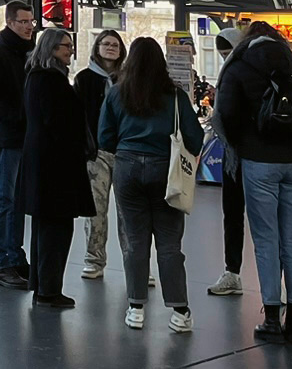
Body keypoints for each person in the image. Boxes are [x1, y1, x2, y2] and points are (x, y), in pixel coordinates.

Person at [214, 20, 292, 344]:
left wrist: (248, 144)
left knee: (266, 240)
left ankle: (271, 319)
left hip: (258, 162)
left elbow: (226, 116)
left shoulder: (238, 68)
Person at [99, 36, 203, 333]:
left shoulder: (117, 94)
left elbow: (105, 137)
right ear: (161, 62)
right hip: (165, 169)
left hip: (128, 168)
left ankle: (135, 308)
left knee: (134, 240)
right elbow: (194, 138)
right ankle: (180, 311)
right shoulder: (175, 96)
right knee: (170, 244)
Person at [19, 27, 91, 309]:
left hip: (42, 163)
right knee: (57, 230)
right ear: (51, 48)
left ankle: (41, 286)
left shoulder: (35, 78)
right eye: (65, 46)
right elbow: (59, 122)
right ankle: (49, 290)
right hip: (57, 167)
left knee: (44, 228)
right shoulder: (51, 81)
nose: (70, 50)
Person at [0, 0, 35, 288]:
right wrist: (16, 118)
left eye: (31, 21)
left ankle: (15, 256)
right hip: (11, 135)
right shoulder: (1, 52)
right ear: (10, 22)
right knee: (5, 199)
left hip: (25, 135)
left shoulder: (28, 51)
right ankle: (2, 261)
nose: (28, 26)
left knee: (17, 200)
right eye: (23, 22)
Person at [74, 29, 124, 281]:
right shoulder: (84, 79)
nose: (111, 48)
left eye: (115, 44)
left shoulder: (127, 79)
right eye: (106, 43)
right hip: (96, 153)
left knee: (130, 213)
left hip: (125, 152)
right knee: (95, 210)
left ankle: (137, 264)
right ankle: (94, 259)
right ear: (97, 47)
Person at [204, 27, 248, 296]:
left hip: (241, 156)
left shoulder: (237, 74)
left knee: (236, 216)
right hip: (239, 155)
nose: (224, 58)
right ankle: (233, 270)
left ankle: (234, 271)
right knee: (235, 215)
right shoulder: (233, 73)